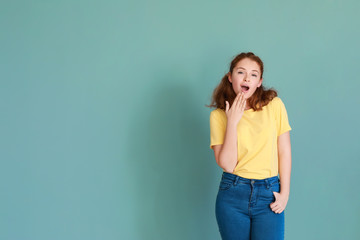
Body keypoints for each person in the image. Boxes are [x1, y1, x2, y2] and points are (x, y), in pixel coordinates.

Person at [207, 52, 292, 240]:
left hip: (269, 192)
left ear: (259, 82)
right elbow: (228, 165)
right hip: (233, 194)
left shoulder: (274, 106)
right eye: (241, 72)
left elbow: (284, 151)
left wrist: (284, 193)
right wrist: (232, 122)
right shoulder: (218, 116)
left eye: (254, 74)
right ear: (230, 77)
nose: (247, 78)